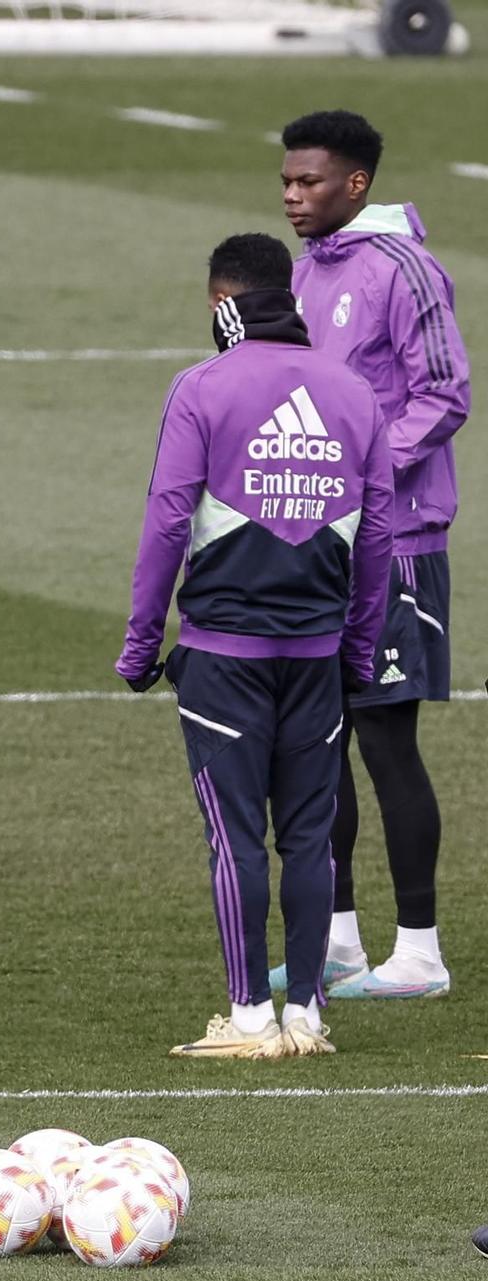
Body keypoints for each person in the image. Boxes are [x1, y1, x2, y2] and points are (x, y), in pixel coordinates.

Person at [117, 233, 393, 1060]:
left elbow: (169, 517)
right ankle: (306, 1016)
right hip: (316, 655)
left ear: (220, 304)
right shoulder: (352, 392)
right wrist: (360, 650)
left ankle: (247, 1020)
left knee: (234, 834)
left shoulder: (202, 386)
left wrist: (140, 644)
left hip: (223, 655)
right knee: (310, 834)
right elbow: (379, 534)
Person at [276, 110, 470, 1001]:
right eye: (285, 182)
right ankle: (342, 942)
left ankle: (421, 952)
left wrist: (363, 471)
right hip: (321, 535)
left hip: (396, 542)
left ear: (355, 184)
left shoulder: (405, 269)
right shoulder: (306, 273)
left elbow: (445, 392)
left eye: (308, 182)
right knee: (322, 739)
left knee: (388, 740)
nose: (291, 197)